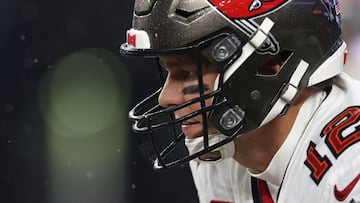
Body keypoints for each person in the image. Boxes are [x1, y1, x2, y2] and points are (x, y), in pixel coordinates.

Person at [121, 0, 360, 202]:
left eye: (187, 73)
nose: (166, 98)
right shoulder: (222, 146)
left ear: (271, 64)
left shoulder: (348, 172)